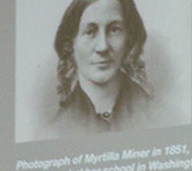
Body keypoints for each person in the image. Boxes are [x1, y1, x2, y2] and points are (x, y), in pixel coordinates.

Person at [48, 0, 152, 133]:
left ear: (129, 39)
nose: (103, 47)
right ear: (70, 44)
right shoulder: (58, 128)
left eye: (114, 30)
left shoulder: (153, 111)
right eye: (90, 32)